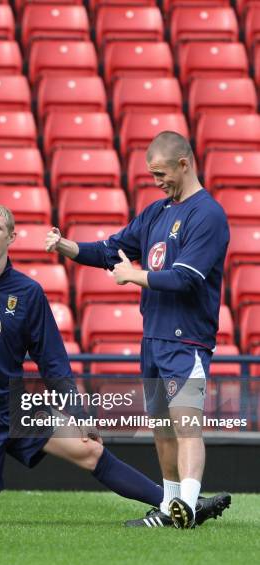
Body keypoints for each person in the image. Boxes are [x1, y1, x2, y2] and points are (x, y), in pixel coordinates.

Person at [0, 203, 227, 526]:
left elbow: (52, 361)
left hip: (16, 406)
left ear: (11, 237)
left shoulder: (29, 291)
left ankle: (175, 505)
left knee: (89, 449)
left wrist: (78, 415)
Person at [45, 131, 231, 529]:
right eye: (152, 175)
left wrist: (135, 275)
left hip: (187, 339)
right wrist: (67, 247)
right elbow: (111, 249)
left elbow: (185, 279)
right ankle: (169, 508)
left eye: (161, 173)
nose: (156, 181)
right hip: (153, 339)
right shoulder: (155, 213)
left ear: (185, 163)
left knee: (186, 426)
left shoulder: (208, 215)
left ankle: (189, 504)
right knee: (162, 430)